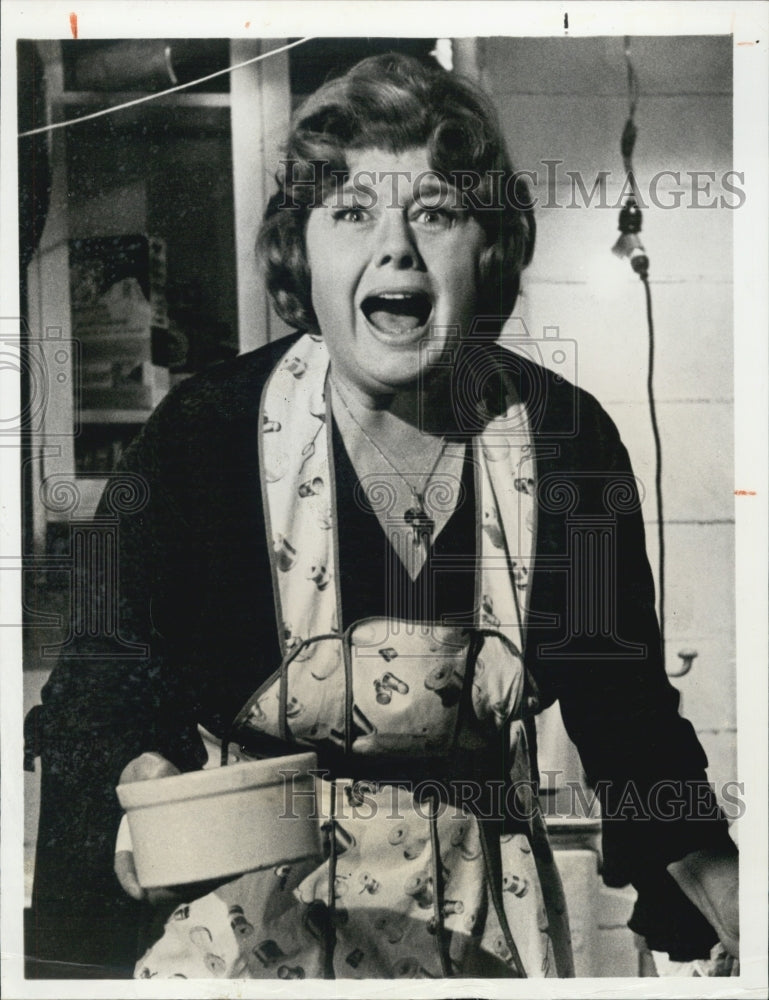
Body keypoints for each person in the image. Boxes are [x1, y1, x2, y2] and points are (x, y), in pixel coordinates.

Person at [28, 52, 738, 980]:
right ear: (302, 254)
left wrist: (730, 901)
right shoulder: (201, 436)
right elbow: (95, 699)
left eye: (436, 213)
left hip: (482, 927)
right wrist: (147, 788)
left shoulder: (565, 439)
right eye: (352, 212)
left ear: (489, 252)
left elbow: (629, 720)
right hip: (244, 932)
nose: (395, 248)